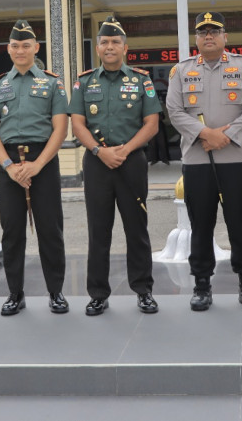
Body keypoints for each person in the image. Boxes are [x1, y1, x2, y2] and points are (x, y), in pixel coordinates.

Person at [166, 11, 242, 311]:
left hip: (236, 158)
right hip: (197, 160)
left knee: (239, 224)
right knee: (201, 225)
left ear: (225, 36)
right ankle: (201, 285)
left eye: (214, 31)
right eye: (203, 32)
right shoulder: (181, 71)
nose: (208, 36)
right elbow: (174, 110)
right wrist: (205, 133)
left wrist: (227, 136)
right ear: (196, 39)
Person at [69, 16, 160, 316]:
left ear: (125, 48)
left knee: (137, 229)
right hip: (97, 163)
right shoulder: (84, 82)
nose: (110, 47)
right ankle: (98, 293)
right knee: (99, 231)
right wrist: (99, 150)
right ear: (97, 48)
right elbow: (78, 124)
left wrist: (125, 150)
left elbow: (152, 124)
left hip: (131, 162)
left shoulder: (141, 79)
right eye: (105, 42)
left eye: (115, 42)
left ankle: (144, 290)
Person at [0, 20, 69, 316]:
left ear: (36, 48)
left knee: (50, 229)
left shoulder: (52, 83)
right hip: (7, 164)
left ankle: (56, 292)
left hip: (42, 160)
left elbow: (60, 128)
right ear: (8, 49)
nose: (20, 50)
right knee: (12, 231)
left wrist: (38, 164)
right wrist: (8, 167)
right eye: (15, 46)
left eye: (26, 45)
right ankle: (14, 293)